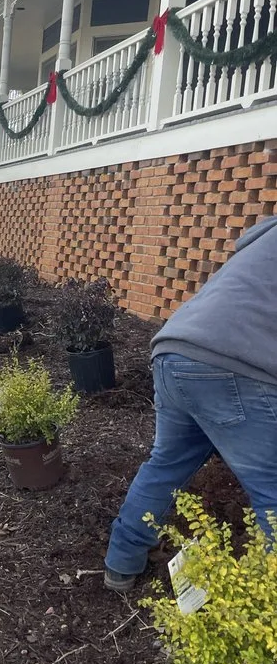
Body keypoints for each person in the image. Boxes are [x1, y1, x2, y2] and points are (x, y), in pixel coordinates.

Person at [104, 215, 277, 591]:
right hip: (232, 365)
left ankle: (120, 565)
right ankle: (265, 607)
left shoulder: (263, 240)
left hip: (173, 351)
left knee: (165, 464)